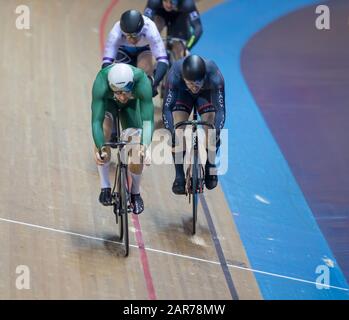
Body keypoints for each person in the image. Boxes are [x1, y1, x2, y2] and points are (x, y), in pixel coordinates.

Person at [91, 63, 154, 214]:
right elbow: (96, 122)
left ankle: (135, 193)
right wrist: (100, 147)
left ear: (132, 85)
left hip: (131, 106)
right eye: (117, 92)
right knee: (104, 134)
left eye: (125, 92)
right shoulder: (101, 81)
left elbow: (148, 121)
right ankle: (105, 186)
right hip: (109, 104)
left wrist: (145, 146)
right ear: (110, 86)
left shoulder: (142, 82)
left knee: (137, 152)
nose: (121, 96)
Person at [162, 55, 225, 194]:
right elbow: (167, 108)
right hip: (182, 94)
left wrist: (217, 132)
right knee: (178, 130)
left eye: (197, 83)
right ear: (183, 78)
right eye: (190, 83)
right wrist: (172, 132)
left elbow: (220, 110)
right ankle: (179, 175)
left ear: (204, 78)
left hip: (206, 94)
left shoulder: (214, 76)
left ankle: (211, 166)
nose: (193, 87)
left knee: (212, 129)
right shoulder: (175, 74)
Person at [102, 9, 168, 97]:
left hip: (143, 49)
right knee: (121, 80)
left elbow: (163, 60)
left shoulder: (150, 28)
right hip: (124, 50)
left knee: (145, 75)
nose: (131, 40)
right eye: (128, 36)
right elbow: (107, 61)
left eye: (134, 35)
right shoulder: (116, 32)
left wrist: (154, 83)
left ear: (142, 30)